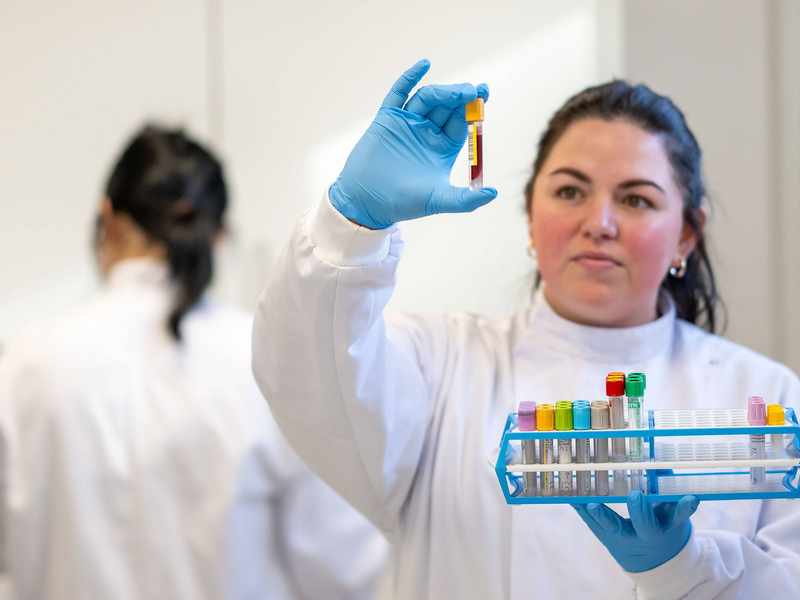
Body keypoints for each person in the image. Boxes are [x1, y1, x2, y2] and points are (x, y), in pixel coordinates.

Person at [252, 59, 800, 599]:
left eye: (636, 199)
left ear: (686, 235)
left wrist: (682, 570)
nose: (598, 224)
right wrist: (353, 222)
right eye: (569, 192)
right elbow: (305, 371)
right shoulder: (439, 363)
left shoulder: (765, 395)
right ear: (530, 217)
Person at [0, 125, 387, 599]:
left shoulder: (24, 367)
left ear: (107, 217)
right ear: (219, 236)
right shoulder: (269, 357)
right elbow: (346, 569)